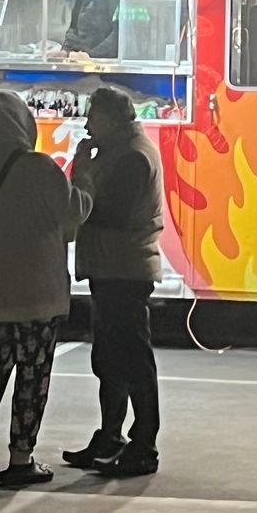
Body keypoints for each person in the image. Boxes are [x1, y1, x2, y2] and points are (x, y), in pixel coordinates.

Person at [0, 90, 91, 488]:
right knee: (33, 374)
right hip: (38, 293)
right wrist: (83, 176)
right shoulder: (40, 167)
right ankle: (21, 460)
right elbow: (72, 218)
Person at [64, 85, 165, 478]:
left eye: (93, 117)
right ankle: (111, 436)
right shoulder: (119, 151)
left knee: (132, 359)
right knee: (109, 358)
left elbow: (105, 213)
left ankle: (144, 445)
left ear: (110, 119)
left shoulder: (132, 158)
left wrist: (83, 174)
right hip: (111, 267)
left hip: (125, 269)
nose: (87, 124)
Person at [62, 0, 136, 59]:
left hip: (108, 65)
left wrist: (91, 56)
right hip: (84, 60)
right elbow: (74, 26)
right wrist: (66, 51)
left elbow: (122, 33)